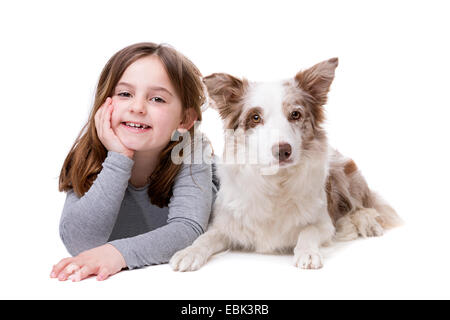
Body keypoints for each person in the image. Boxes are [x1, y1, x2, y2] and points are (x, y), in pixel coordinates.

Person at [50, 42, 219, 282]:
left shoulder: (191, 150)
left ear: (185, 119)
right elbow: (81, 243)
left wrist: (119, 254)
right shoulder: (90, 153)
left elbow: (188, 230)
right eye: (125, 94)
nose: (137, 107)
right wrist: (119, 159)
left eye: (157, 99)